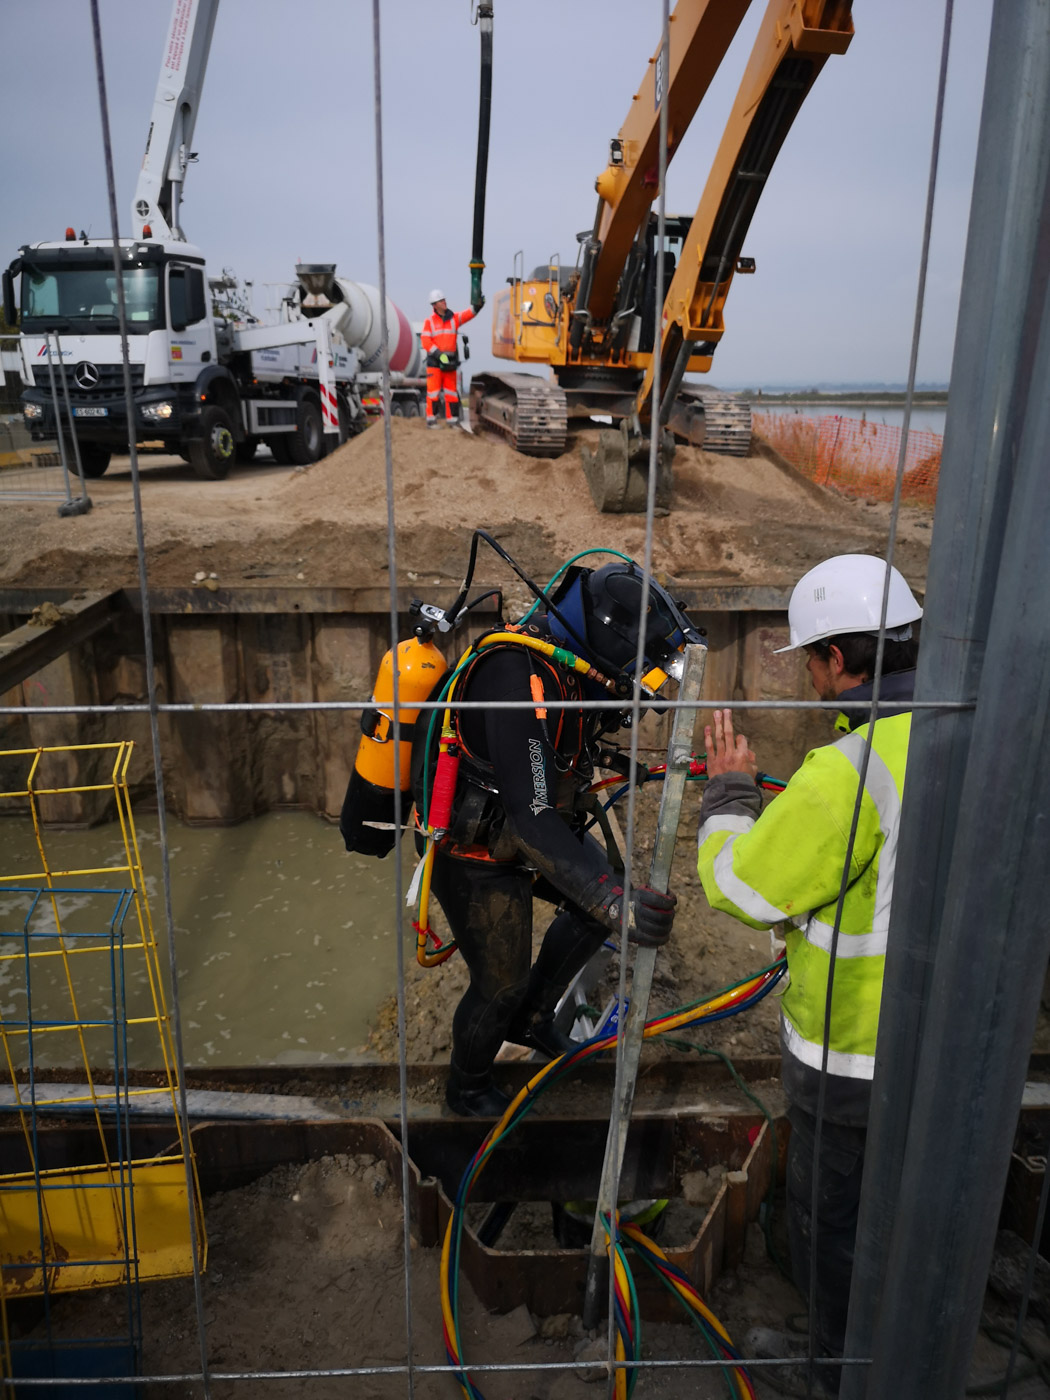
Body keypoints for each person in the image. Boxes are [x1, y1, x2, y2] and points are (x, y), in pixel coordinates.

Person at [694, 554, 922, 1397]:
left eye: (812, 661)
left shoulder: (846, 772)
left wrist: (727, 799)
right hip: (941, 1044)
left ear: (834, 658)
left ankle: (834, 1371)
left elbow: (743, 885)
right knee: (902, 1206)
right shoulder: (967, 730)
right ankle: (900, 1336)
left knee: (830, 1220)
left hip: (850, 1057)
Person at [419, 560, 702, 1117]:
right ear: (608, 638)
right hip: (476, 852)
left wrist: (607, 897)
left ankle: (531, 1018)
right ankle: (468, 1085)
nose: (641, 682)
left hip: (530, 827)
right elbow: (533, 816)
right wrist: (613, 901)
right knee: (499, 981)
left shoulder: (569, 673)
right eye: (641, 668)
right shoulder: (514, 677)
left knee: (600, 900)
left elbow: (552, 785)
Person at [421, 289, 480, 426]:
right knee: (433, 392)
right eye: (441, 301)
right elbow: (426, 341)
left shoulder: (454, 318)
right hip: (435, 362)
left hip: (450, 362)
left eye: (444, 299)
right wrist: (438, 354)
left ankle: (452, 420)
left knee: (451, 392)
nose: (444, 302)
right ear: (434, 305)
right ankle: (431, 419)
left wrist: (477, 307)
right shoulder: (429, 321)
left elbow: (468, 314)